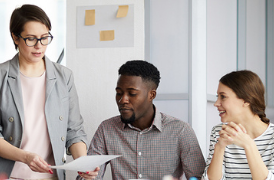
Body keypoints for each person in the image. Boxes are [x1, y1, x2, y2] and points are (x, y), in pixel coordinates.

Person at [0, 4, 98, 180]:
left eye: (44, 38)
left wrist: (84, 164)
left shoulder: (64, 76)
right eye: (31, 39)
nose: (39, 46)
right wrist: (26, 157)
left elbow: (74, 130)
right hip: (7, 175)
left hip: (51, 176)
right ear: (15, 37)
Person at [78, 60, 206, 180]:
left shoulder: (181, 131)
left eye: (132, 94)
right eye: (119, 93)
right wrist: (87, 175)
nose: (123, 100)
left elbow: (199, 177)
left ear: (152, 95)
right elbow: (89, 174)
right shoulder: (107, 129)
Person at [203, 70, 274, 179]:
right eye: (217, 97)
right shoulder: (219, 132)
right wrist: (219, 148)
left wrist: (249, 145)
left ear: (246, 100)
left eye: (223, 96)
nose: (216, 103)